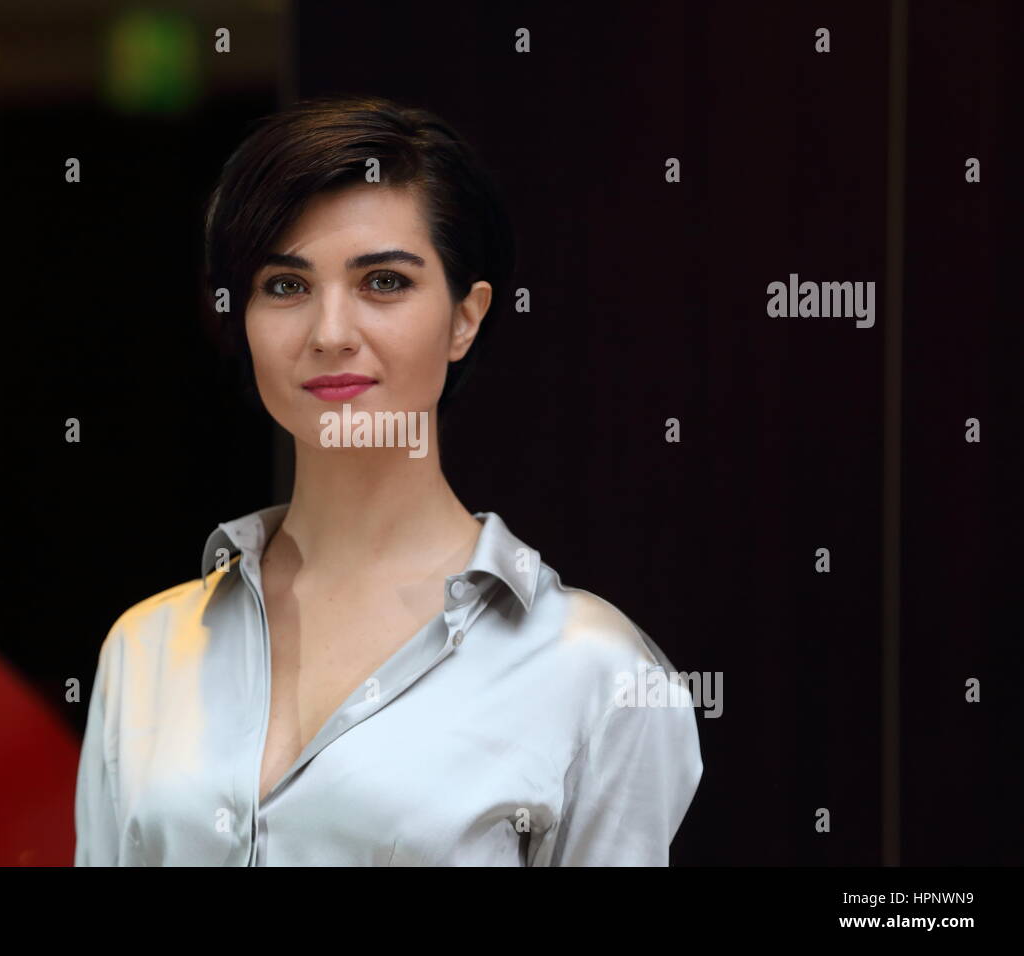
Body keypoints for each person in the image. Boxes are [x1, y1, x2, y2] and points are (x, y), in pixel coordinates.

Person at [74, 94, 702, 866]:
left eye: (384, 283)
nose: (331, 333)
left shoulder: (590, 668)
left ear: (466, 318)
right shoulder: (149, 645)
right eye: (285, 286)